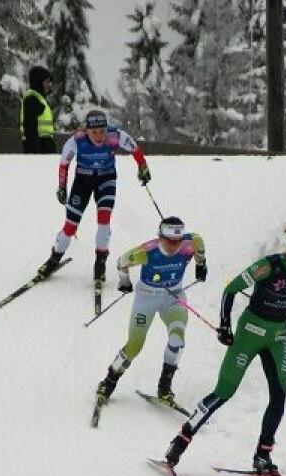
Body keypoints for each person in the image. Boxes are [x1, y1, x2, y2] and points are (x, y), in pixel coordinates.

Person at [162, 224, 286, 473]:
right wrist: (224, 326)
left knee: (280, 394)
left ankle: (263, 455)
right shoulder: (269, 266)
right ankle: (180, 442)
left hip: (278, 336)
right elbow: (231, 289)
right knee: (224, 391)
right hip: (250, 333)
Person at [95, 216, 207, 406]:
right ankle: (109, 382)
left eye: (178, 242)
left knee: (177, 339)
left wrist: (201, 265)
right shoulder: (147, 251)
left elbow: (199, 245)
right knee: (135, 344)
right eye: (169, 241)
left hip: (174, 297)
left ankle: (164, 388)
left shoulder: (191, 242)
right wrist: (124, 282)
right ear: (160, 237)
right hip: (146, 298)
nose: (174, 246)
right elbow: (121, 262)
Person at [37, 109, 152, 285]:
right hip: (83, 181)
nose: (99, 136)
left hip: (106, 179)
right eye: (94, 132)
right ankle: (54, 259)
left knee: (104, 220)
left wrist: (143, 168)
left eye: (102, 131)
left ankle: (100, 262)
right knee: (70, 226)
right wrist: (62, 186)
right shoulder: (77, 140)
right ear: (86, 130)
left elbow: (135, 148)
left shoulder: (115, 136)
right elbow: (64, 164)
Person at [20, 66, 55, 154]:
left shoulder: (40, 99)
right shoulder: (32, 99)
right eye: (46, 81)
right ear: (39, 82)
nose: (49, 85)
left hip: (44, 145)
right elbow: (30, 127)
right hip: (38, 146)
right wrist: (35, 151)